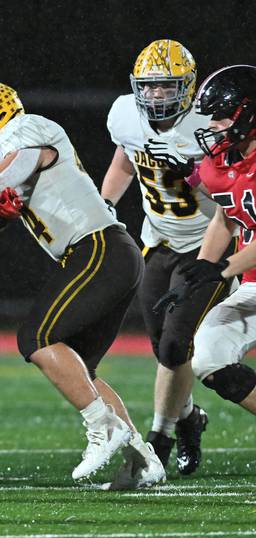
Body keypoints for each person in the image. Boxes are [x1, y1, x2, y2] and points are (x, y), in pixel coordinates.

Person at [0, 82, 165, 488]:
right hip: (107, 253)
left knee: (36, 338)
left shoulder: (23, 129)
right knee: (80, 368)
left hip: (97, 248)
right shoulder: (12, 152)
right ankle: (142, 459)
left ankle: (104, 429)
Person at [101, 39, 223, 475]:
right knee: (164, 348)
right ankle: (190, 418)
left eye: (166, 87)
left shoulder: (208, 123)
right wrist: (106, 206)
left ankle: (160, 437)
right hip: (158, 242)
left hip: (207, 243)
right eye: (148, 88)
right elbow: (124, 162)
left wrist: (193, 173)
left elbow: (229, 193)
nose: (155, 97)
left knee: (176, 343)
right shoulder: (125, 115)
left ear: (187, 88)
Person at [159, 66, 256, 417]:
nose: (213, 124)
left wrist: (222, 269)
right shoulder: (222, 161)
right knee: (210, 359)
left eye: (220, 115)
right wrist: (201, 268)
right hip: (253, 284)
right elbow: (225, 215)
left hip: (244, 272)